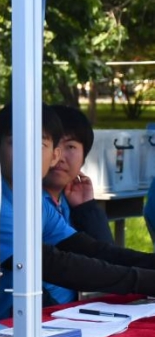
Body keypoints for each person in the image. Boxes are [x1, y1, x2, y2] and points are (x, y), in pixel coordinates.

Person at [0, 104, 155, 318]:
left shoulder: (34, 200)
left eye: (40, 144)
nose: (27, 153)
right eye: (16, 142)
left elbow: (90, 249)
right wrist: (142, 280)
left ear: (54, 155)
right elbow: (53, 263)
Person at [44, 104, 114, 243]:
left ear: (83, 158)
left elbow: (106, 249)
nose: (59, 157)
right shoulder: (24, 202)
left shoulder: (68, 202)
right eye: (52, 145)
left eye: (70, 147)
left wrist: (86, 208)